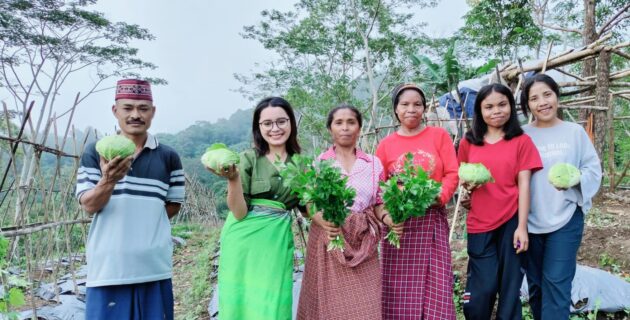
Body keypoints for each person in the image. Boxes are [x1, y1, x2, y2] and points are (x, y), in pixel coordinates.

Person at [76, 79, 185, 319]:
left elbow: (173, 204)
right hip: (108, 269)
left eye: (143, 108)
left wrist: (145, 226)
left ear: (153, 112)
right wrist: (108, 181)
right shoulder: (97, 151)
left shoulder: (169, 157)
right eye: (128, 108)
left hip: (154, 268)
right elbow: (89, 206)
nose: (136, 114)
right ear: (115, 111)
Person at [209, 97, 302, 320]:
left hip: (275, 245)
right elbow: (239, 212)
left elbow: (307, 208)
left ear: (291, 123)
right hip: (242, 244)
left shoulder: (301, 163)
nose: (275, 128)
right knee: (241, 304)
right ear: (258, 128)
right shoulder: (248, 159)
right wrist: (233, 179)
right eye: (267, 124)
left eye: (281, 121)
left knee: (274, 303)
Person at [521, 74, 602, 320]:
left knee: (556, 281)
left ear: (557, 96)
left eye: (547, 94)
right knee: (535, 285)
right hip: (528, 222)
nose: (542, 102)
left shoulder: (574, 132)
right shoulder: (521, 135)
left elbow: (593, 170)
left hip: (566, 218)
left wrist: (574, 178)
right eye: (534, 98)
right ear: (528, 104)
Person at [457, 83, 542, 320]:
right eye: (489, 106)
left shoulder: (521, 141)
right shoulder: (468, 142)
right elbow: (463, 177)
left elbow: (524, 184)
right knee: (480, 291)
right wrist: (466, 192)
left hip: (511, 221)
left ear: (511, 107)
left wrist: (522, 227)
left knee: (509, 288)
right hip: (479, 222)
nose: (497, 111)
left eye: (502, 104)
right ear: (480, 111)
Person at [376, 83, 459, 319]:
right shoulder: (386, 145)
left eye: (417, 104)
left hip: (431, 219)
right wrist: (392, 213)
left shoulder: (439, 136)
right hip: (398, 225)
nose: (411, 109)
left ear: (424, 108)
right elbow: (380, 186)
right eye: (404, 104)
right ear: (395, 109)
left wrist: (437, 197)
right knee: (399, 287)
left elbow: (452, 173)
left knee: (437, 281)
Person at [297, 105, 386, 319]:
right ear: (330, 129)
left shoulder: (373, 164)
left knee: (368, 305)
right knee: (331, 305)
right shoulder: (319, 165)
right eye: (338, 123)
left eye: (351, 122)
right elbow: (309, 203)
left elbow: (379, 202)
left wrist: (390, 219)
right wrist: (323, 221)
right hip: (331, 239)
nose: (345, 128)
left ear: (359, 127)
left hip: (364, 241)